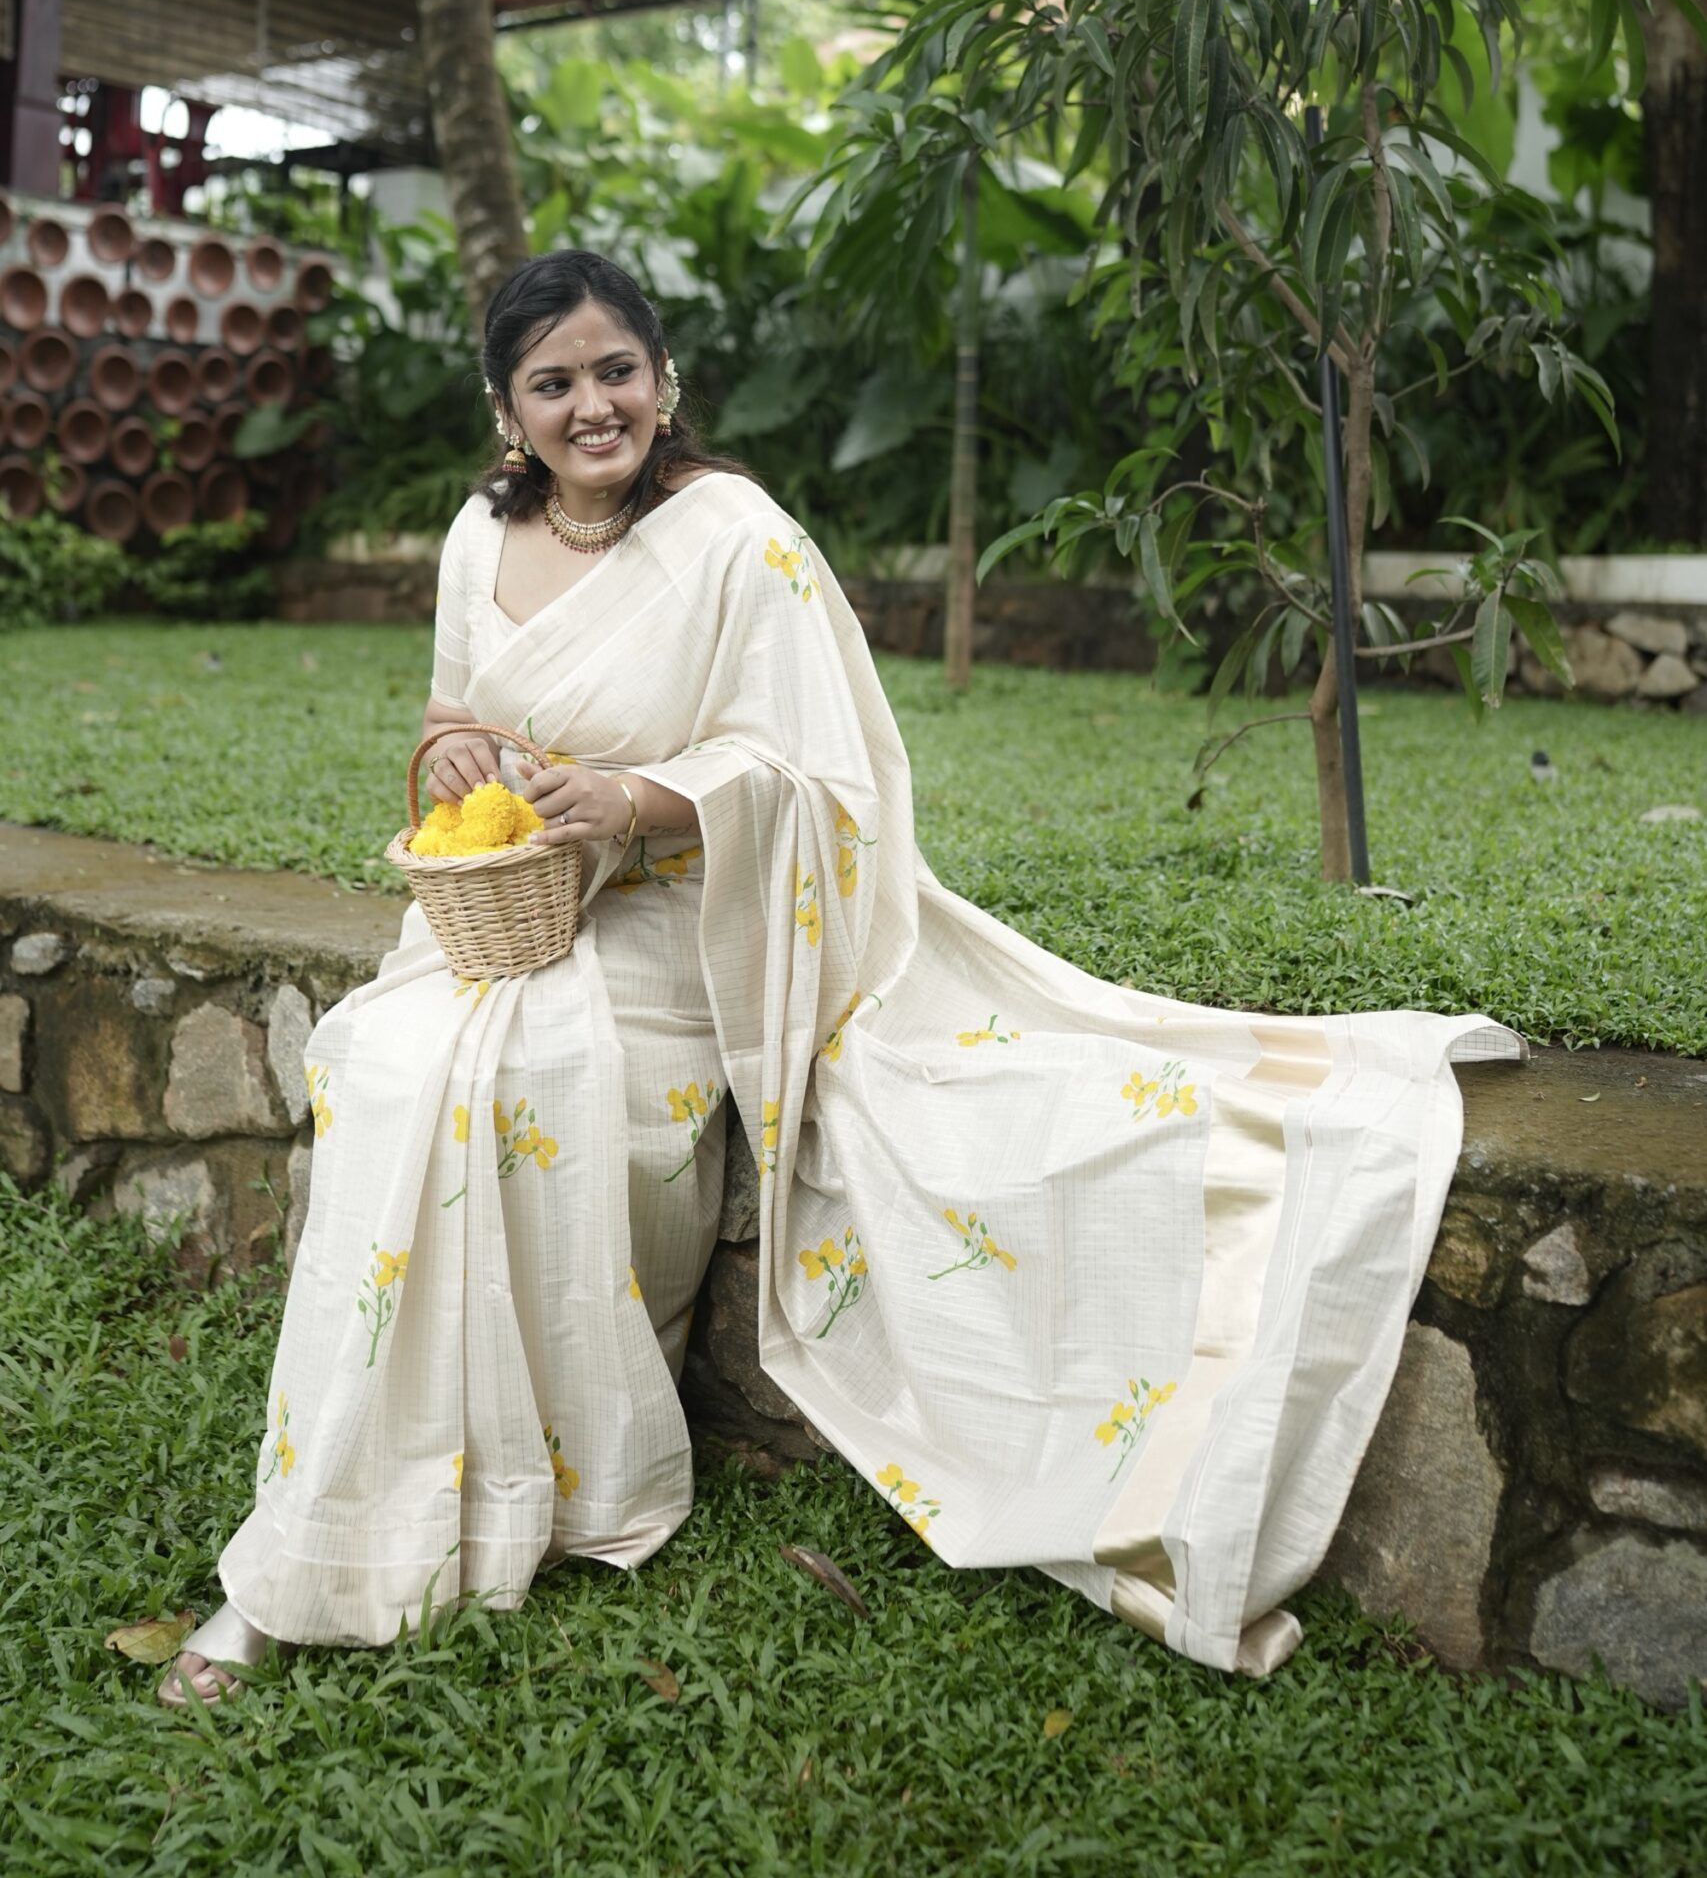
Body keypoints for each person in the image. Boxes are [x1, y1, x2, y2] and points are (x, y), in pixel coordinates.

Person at [161, 248, 1520, 1704]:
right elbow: (447, 715)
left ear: (664, 380)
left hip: (687, 933)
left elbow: (827, 778)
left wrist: (636, 804)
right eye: (553, 383)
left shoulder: (736, 537)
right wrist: (454, 758)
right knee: (388, 1061)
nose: (592, 404)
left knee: (540, 1075)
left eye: (616, 369)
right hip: (509, 916)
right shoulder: (475, 537)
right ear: (510, 411)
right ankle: (343, 1518)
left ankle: (536, 1489)